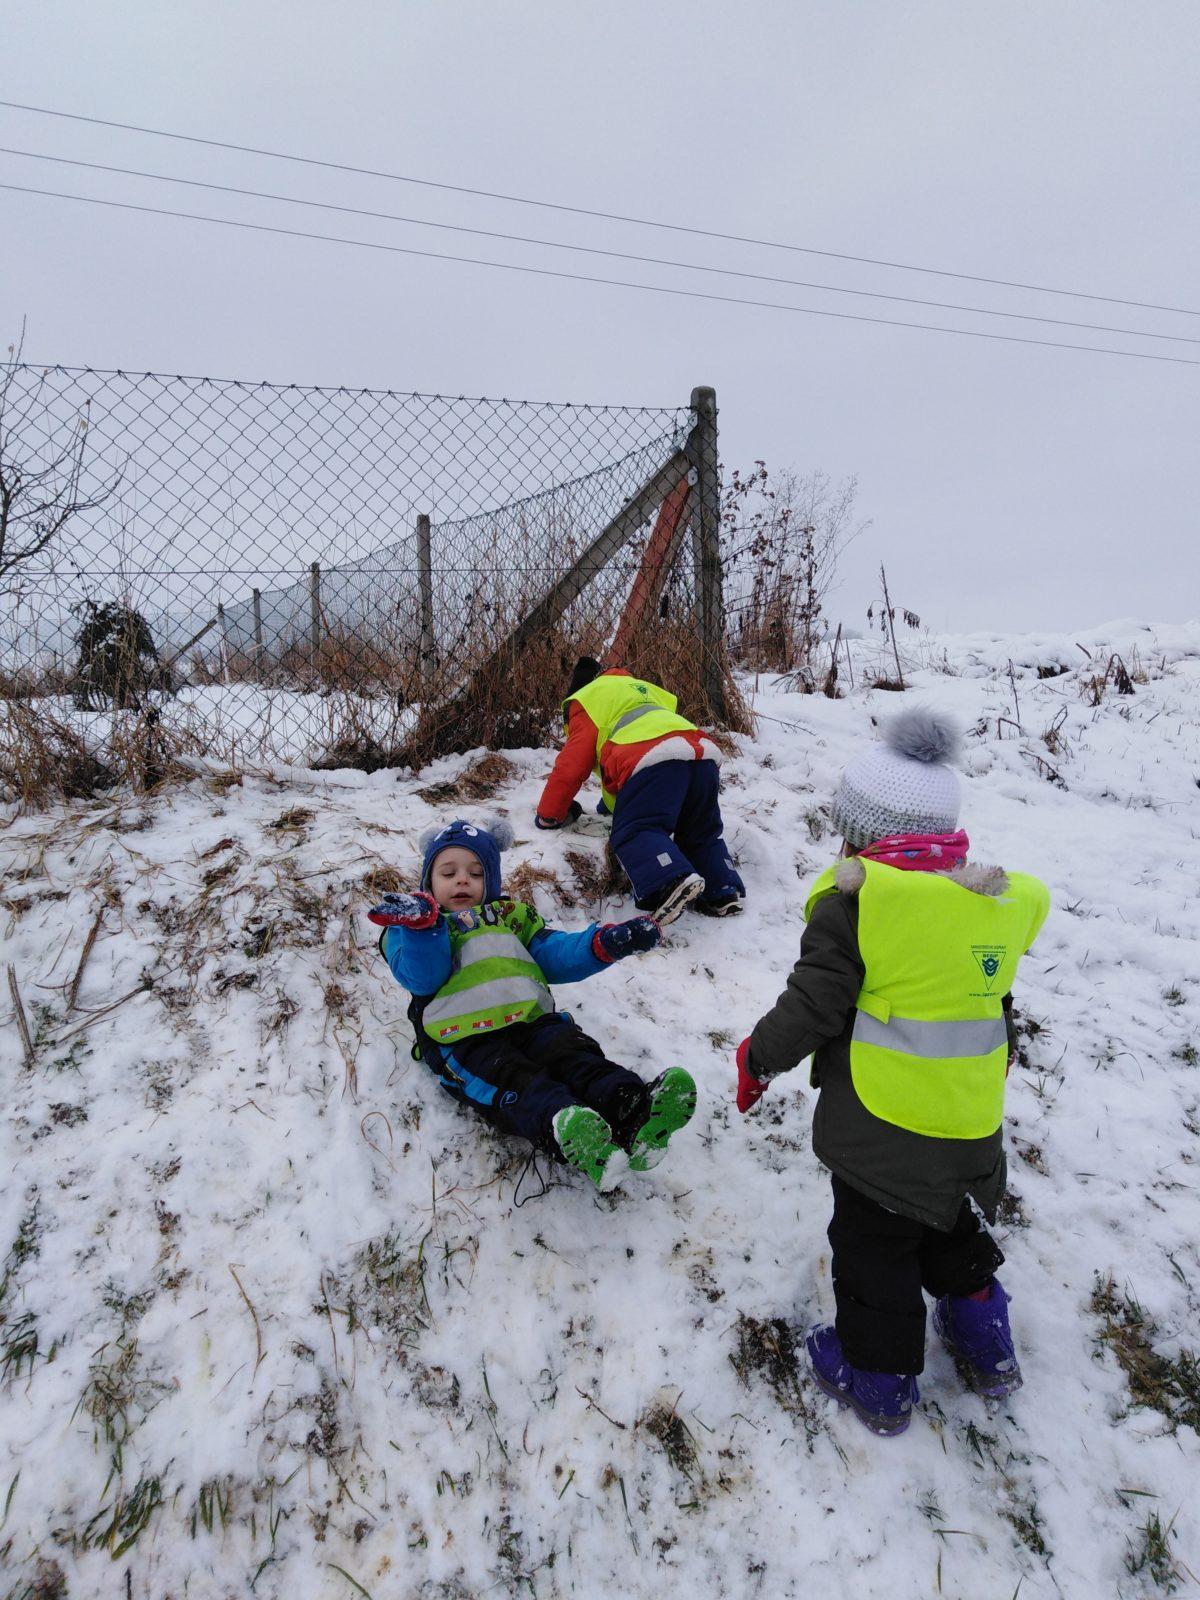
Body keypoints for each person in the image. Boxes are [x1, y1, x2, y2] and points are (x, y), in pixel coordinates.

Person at [735, 709, 1049, 1436]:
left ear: (862, 836)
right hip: (969, 1122)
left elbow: (815, 1003)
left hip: (883, 1126)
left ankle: (877, 1380)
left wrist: (758, 1057)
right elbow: (991, 1002)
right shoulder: (984, 901)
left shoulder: (858, 905)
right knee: (949, 1223)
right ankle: (985, 1342)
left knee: (875, 1246)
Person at [369, 816, 697, 1191]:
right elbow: (422, 978)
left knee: (576, 1059)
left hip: (534, 1022)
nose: (463, 880)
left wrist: (604, 944)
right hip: (467, 1038)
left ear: (490, 882)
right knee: (517, 1082)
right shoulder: (411, 927)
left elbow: (551, 953)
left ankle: (636, 1113)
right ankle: (569, 1129)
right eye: (448, 872)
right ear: (428, 880)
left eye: (477, 873)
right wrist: (424, 929)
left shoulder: (511, 918)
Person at [533, 657, 746, 924]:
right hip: (702, 756)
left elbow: (570, 768)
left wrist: (549, 814)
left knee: (636, 830)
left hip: (652, 758)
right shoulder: (642, 692)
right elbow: (638, 792)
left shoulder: (587, 700)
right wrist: (610, 807)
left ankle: (670, 880)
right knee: (700, 832)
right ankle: (722, 889)